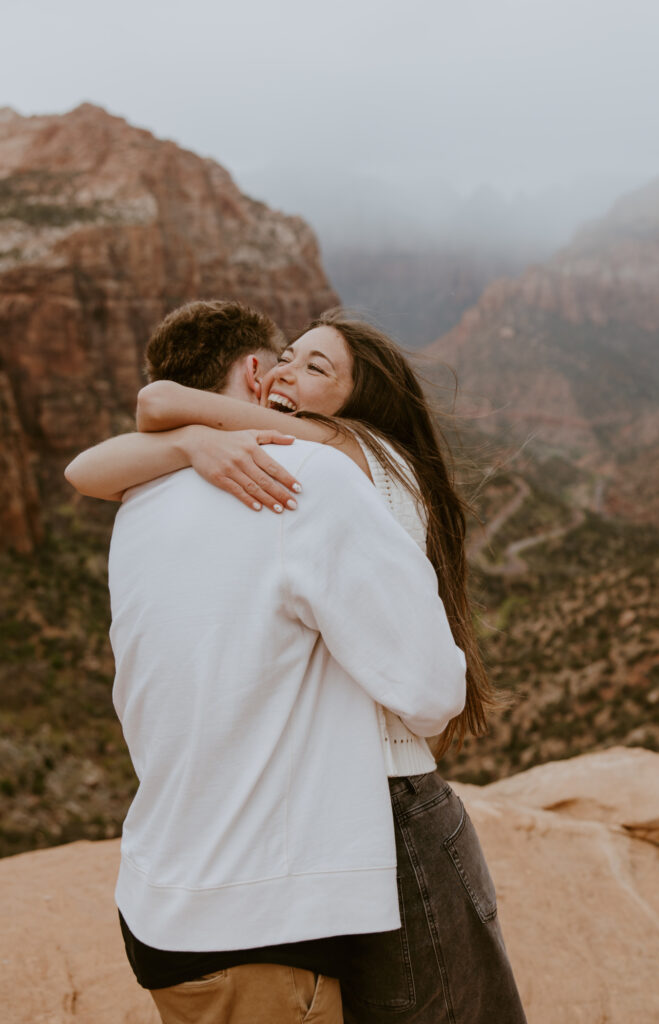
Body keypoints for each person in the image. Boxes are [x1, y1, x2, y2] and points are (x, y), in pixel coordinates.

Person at [67, 302, 527, 1023]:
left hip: (213, 875)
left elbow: (132, 424)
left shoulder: (338, 460)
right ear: (253, 371)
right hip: (355, 821)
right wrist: (193, 441)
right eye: (285, 356)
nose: (287, 371)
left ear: (358, 401)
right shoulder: (287, 469)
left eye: (315, 367)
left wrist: (189, 435)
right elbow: (432, 692)